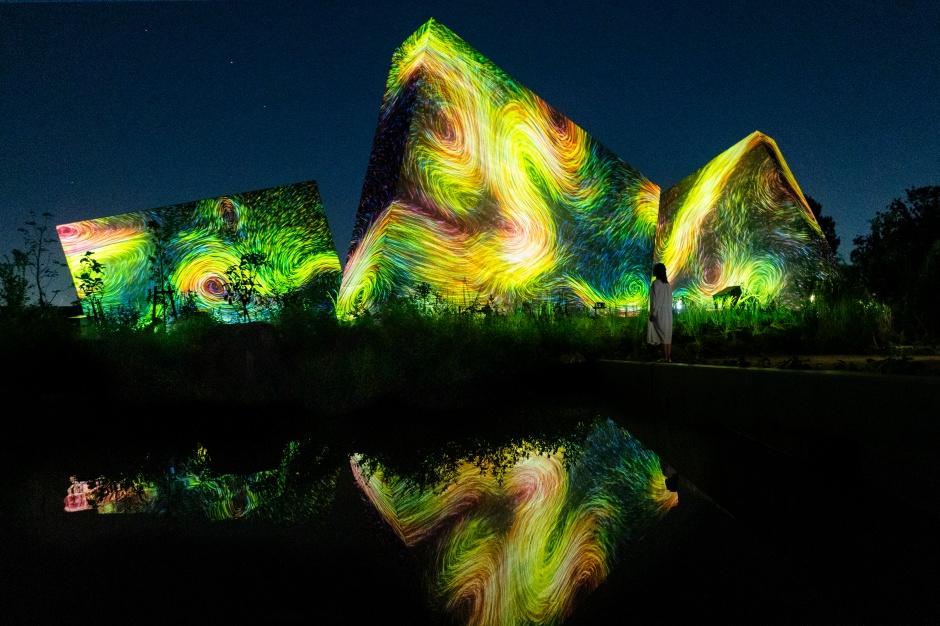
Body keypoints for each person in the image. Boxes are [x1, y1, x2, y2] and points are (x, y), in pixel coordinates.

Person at [647, 263, 673, 362]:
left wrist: (653, 313)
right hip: (668, 314)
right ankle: (668, 357)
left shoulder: (655, 284)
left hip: (659, 313)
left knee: (663, 336)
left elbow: (654, 301)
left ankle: (665, 358)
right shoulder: (668, 285)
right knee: (667, 336)